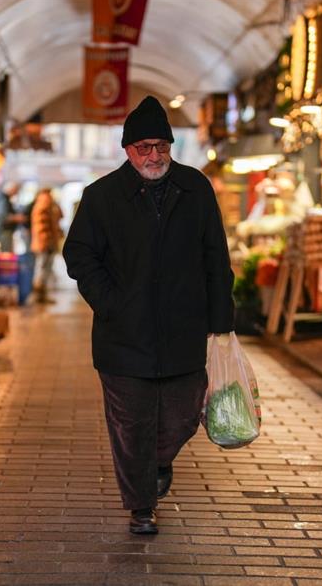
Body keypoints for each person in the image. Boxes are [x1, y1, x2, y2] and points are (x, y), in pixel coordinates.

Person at [62, 96, 234, 535]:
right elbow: (78, 254)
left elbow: (216, 256)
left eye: (161, 146)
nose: (154, 155)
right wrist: (110, 302)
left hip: (184, 331)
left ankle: (156, 462)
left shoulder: (195, 189)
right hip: (123, 337)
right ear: (127, 150)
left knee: (183, 415)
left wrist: (221, 323)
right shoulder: (101, 196)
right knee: (131, 425)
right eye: (144, 147)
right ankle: (141, 507)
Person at [30, 187, 63, 304]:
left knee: (44, 268)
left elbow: (60, 216)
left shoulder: (46, 204)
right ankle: (39, 296)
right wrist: (48, 239)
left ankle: (41, 295)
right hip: (45, 243)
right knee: (43, 268)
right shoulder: (45, 203)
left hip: (45, 242)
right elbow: (44, 225)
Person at [0, 181, 22, 253]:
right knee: (6, 254)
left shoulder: (3, 198)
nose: (16, 193)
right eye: (16, 191)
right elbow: (3, 216)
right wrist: (17, 218)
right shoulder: (3, 199)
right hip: (4, 232)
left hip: (4, 231)